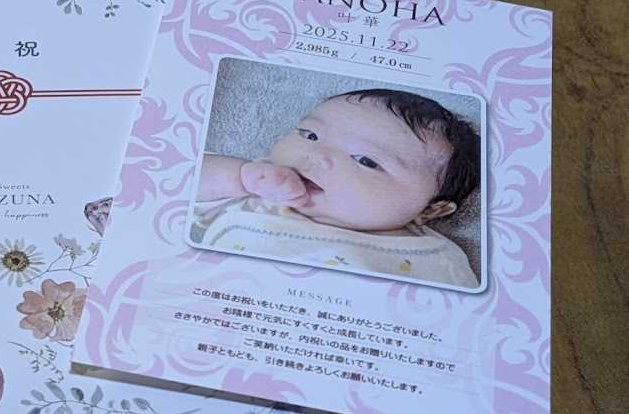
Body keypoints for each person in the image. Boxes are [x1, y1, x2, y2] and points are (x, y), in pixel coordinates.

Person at [192, 88, 481, 288]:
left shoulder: (435, 259)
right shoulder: (258, 193)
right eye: (311, 135)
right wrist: (241, 175)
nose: (317, 155)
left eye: (366, 160)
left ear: (431, 210)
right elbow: (181, 179)